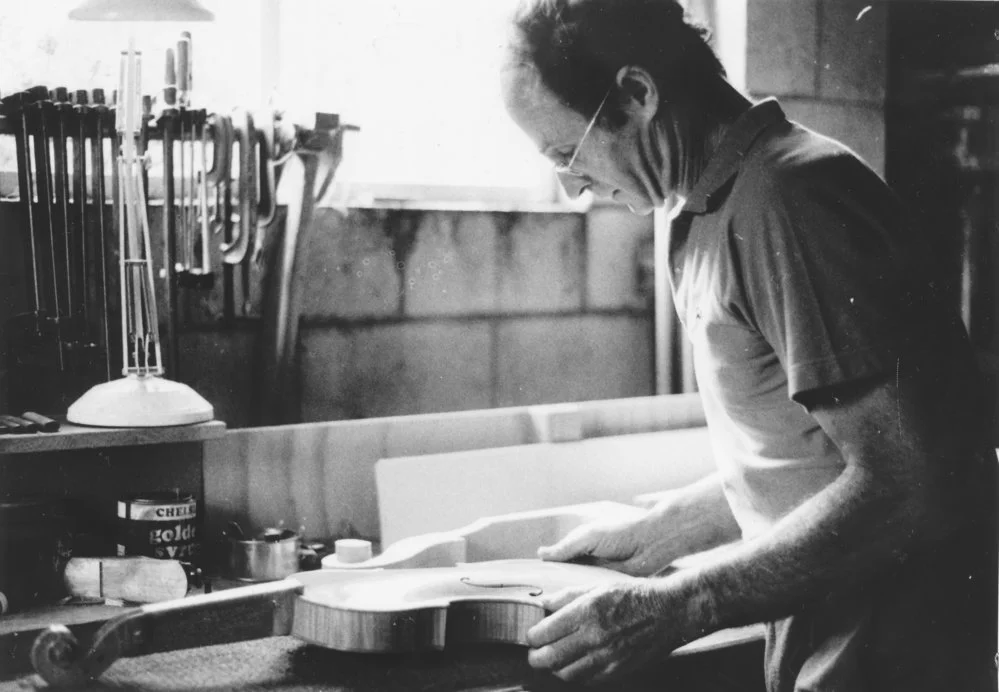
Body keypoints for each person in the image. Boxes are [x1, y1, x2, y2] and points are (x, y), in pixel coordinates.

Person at [499, 0, 998, 690]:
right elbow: (808, 456)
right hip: (827, 640)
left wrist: (680, 604)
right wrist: (659, 533)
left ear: (638, 94)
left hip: (895, 658)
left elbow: (912, 482)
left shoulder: (790, 197)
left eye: (565, 152)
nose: (572, 186)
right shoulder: (707, 207)